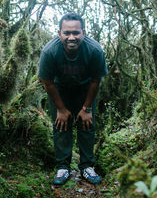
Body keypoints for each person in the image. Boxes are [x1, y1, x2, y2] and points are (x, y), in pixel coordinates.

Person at [38, 12, 108, 185]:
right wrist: (61, 109)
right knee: (61, 125)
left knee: (87, 124)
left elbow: (96, 80)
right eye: (67, 33)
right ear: (59, 33)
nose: (71, 37)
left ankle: (87, 166)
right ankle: (63, 167)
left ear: (83, 32)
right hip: (59, 89)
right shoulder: (49, 51)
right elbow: (46, 82)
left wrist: (87, 109)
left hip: (86, 89)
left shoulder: (94, 50)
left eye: (76, 33)